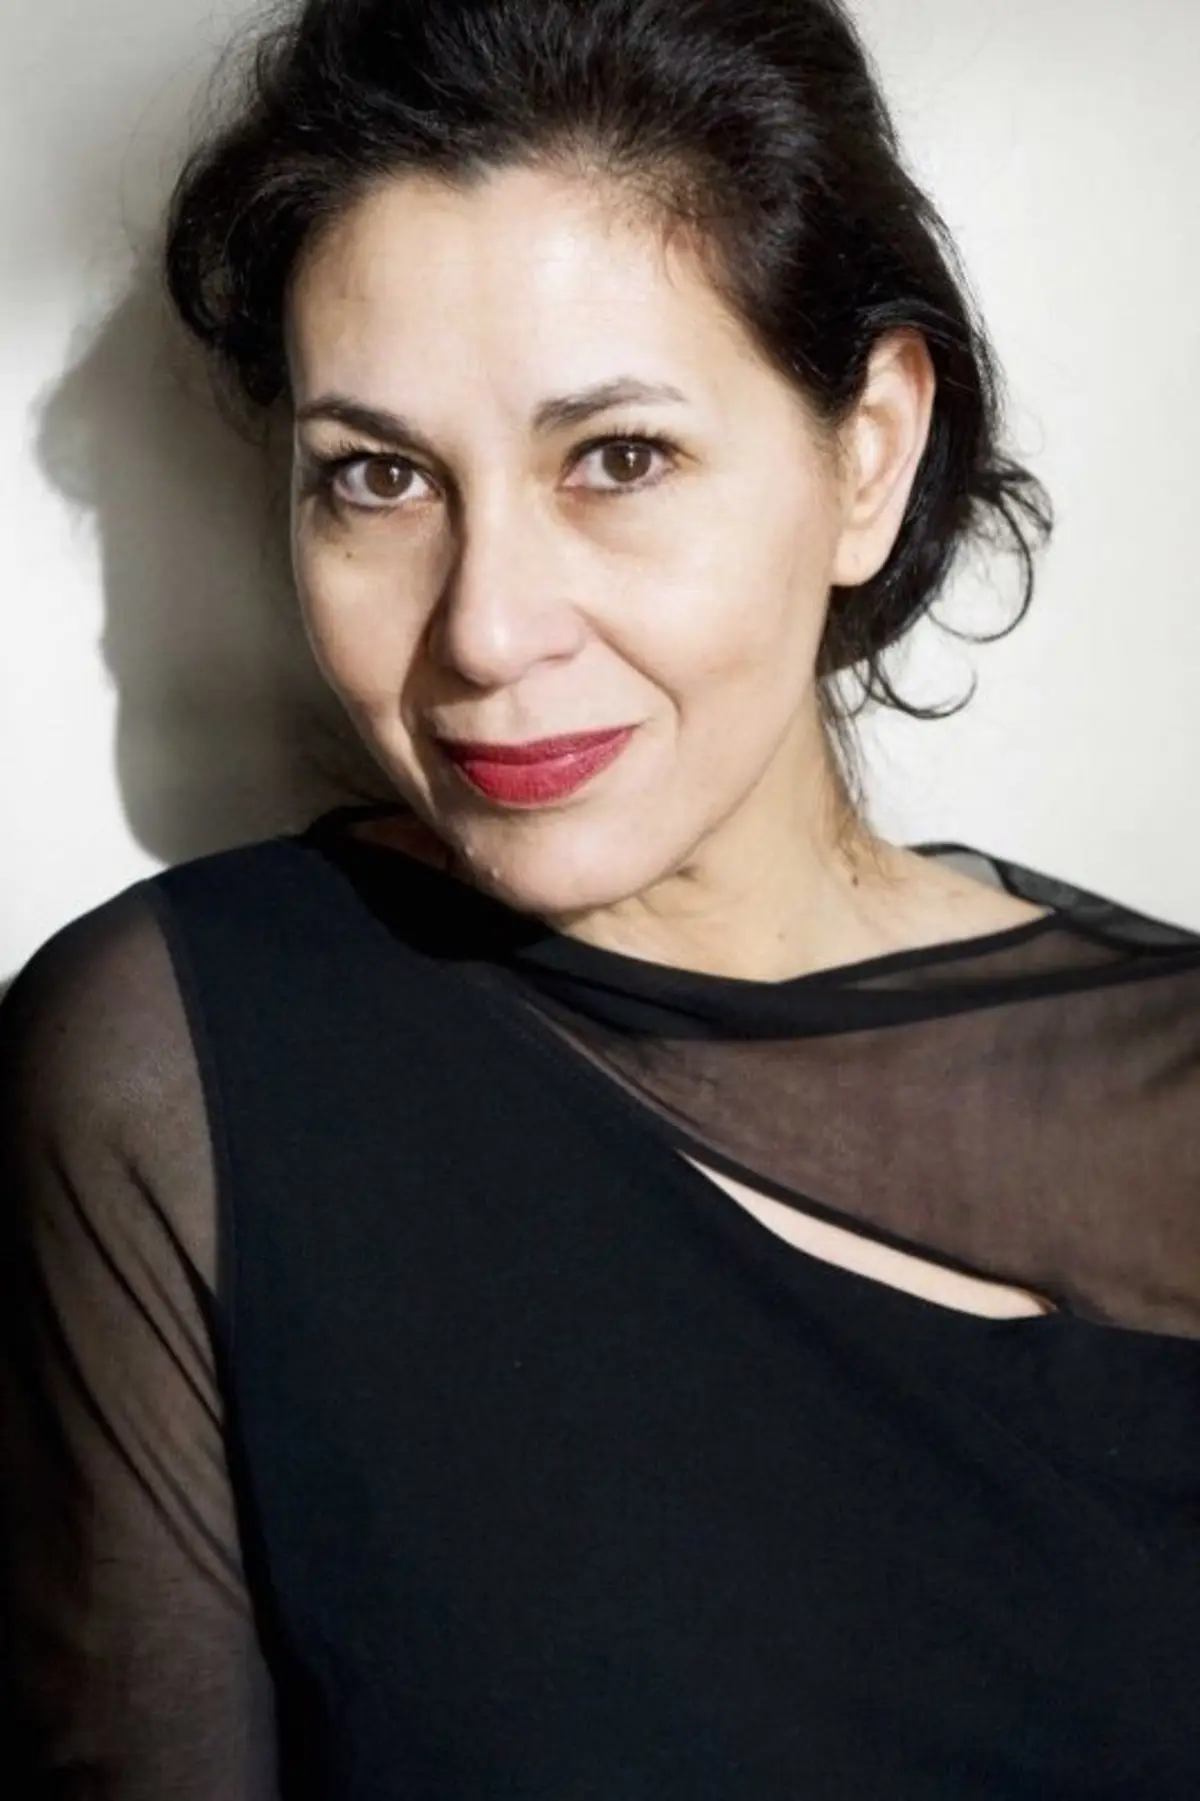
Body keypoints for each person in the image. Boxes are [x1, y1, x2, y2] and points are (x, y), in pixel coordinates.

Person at [3, 0, 1199, 1794]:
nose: (487, 628)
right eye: (379, 478)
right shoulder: (178, 1074)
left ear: (868, 451)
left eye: (618, 458)